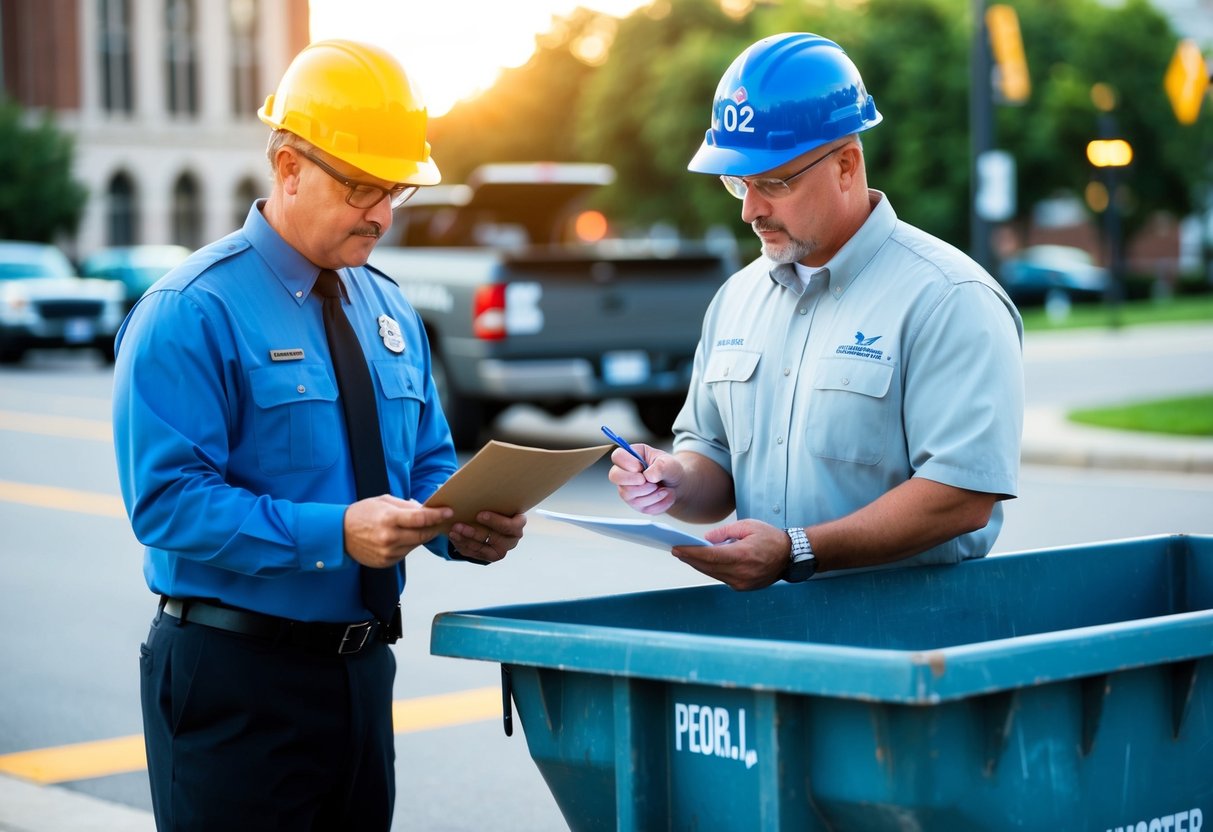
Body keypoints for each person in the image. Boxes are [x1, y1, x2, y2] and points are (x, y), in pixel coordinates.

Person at [112, 40, 525, 831]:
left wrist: (461, 526)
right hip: (236, 681)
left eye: (394, 188)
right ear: (288, 166)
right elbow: (166, 505)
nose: (382, 213)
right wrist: (336, 532)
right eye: (361, 187)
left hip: (362, 676)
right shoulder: (191, 310)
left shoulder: (390, 308)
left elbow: (427, 460)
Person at [608, 33, 1023, 591]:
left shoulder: (949, 297)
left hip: (911, 648)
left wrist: (797, 551)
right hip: (768, 645)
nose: (751, 210)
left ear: (847, 165)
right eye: (739, 183)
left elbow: (962, 496)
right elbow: (714, 460)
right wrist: (674, 481)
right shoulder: (736, 299)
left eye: (775, 182)